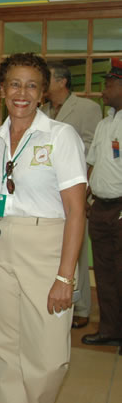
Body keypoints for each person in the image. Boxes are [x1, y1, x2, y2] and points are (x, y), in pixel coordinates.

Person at [0, 52, 86, 403]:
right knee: (5, 346)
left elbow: (76, 212)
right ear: (1, 89)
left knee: (49, 354)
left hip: (45, 246)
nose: (21, 93)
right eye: (14, 84)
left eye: (31, 86)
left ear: (42, 94)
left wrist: (65, 277)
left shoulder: (60, 135)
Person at [41, 61, 102, 329]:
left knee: (76, 252)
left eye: (47, 79)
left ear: (63, 81)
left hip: (74, 188)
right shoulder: (42, 109)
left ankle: (82, 308)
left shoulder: (87, 108)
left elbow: (93, 149)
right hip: (44, 193)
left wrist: (84, 187)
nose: (43, 84)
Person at [81, 58, 122, 348]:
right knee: (106, 275)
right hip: (101, 208)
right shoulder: (106, 122)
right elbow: (92, 162)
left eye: (108, 84)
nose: (103, 90)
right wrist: (86, 196)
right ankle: (110, 329)